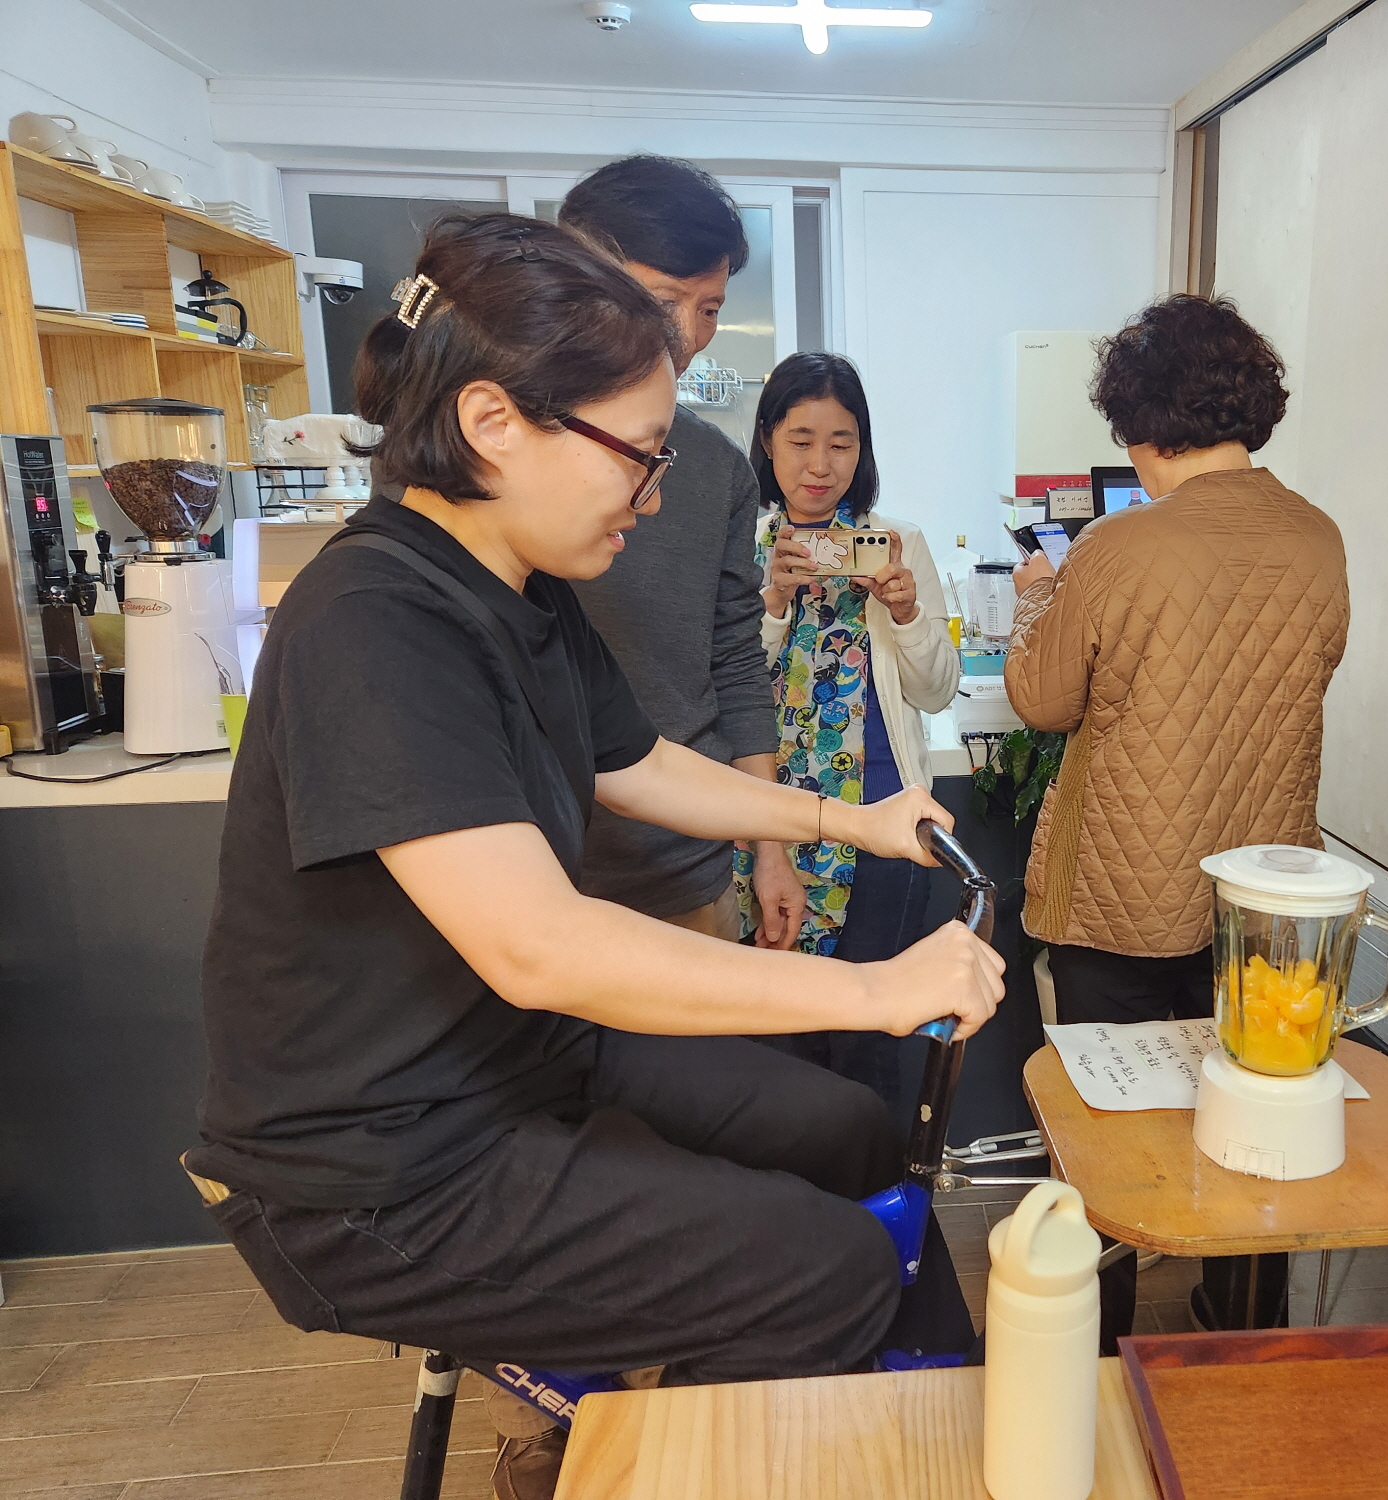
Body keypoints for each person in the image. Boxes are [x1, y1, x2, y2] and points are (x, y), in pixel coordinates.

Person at [184, 214, 999, 1500]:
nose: (657, 491)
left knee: (850, 1129)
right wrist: (874, 988)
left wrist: (852, 821)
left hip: (512, 1069)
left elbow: (634, 764)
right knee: (824, 1268)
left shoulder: (520, 588)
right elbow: (538, 945)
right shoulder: (372, 620)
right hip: (375, 1170)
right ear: (497, 421)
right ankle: (674, 1444)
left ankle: (784, 1417)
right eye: (638, 454)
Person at [1004, 293, 1350, 1338]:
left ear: (1144, 427)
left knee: (1110, 1135)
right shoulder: (1319, 540)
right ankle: (1237, 1338)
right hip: (1257, 903)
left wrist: (1036, 599)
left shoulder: (1118, 546)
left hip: (1117, 895)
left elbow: (1041, 701)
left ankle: (1100, 1342)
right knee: (1251, 1123)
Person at [558, 156, 806, 949]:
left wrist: (771, 848)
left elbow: (733, 656)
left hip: (684, 868)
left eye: (709, 309)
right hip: (542, 866)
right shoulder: (495, 460)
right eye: (663, 302)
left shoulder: (717, 468)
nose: (687, 337)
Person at [745, 352, 960, 1109]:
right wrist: (773, 597)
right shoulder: (741, 543)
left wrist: (904, 611)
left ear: (863, 448)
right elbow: (728, 684)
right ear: (768, 440)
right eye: (801, 440)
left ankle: (878, 1213)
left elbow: (938, 691)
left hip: (882, 824)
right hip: (764, 823)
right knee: (778, 1036)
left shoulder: (897, 541)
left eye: (841, 442)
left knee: (871, 1037)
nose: (820, 464)